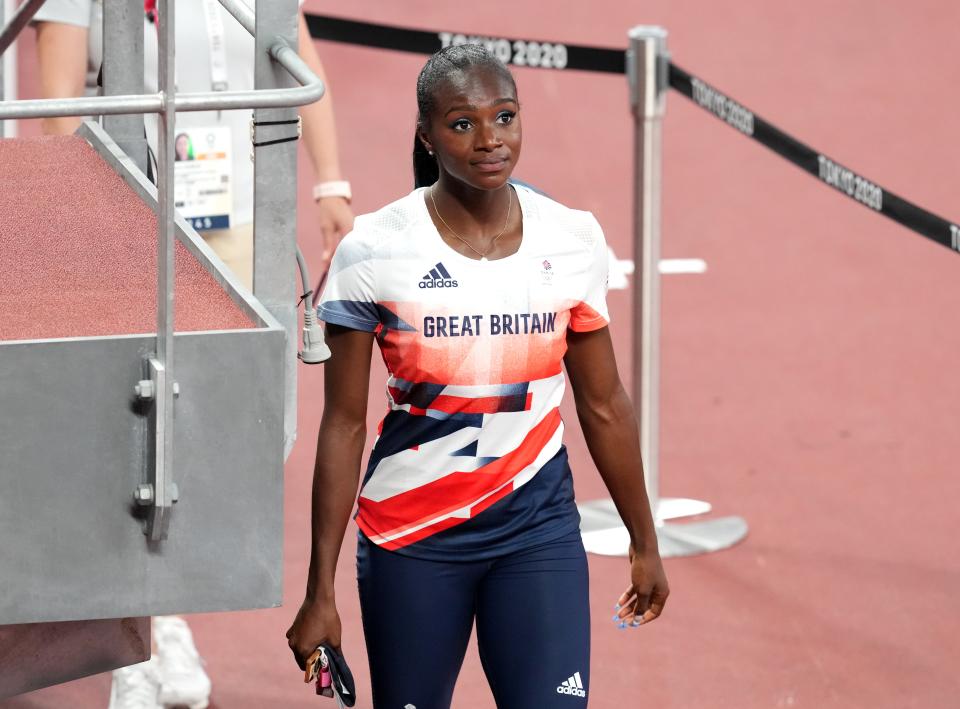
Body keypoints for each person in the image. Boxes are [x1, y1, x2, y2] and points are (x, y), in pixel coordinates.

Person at [286, 44, 669, 708]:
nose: (490, 139)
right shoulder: (374, 251)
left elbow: (603, 404)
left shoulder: (571, 238)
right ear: (427, 136)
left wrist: (645, 539)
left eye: (506, 116)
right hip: (413, 538)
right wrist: (321, 588)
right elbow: (343, 426)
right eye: (462, 123)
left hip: (536, 528)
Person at [32, 3, 354, 708]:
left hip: (237, 229)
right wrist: (88, 235)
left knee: (219, 435)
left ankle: (168, 614)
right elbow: (57, 114)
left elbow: (294, 53)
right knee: (126, 433)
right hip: (124, 230)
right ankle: (131, 638)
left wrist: (330, 182)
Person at [33, 0, 353, 287]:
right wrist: (89, 216)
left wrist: (331, 186)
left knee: (241, 350)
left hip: (244, 218)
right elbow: (60, 111)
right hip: (127, 223)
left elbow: (303, 73)